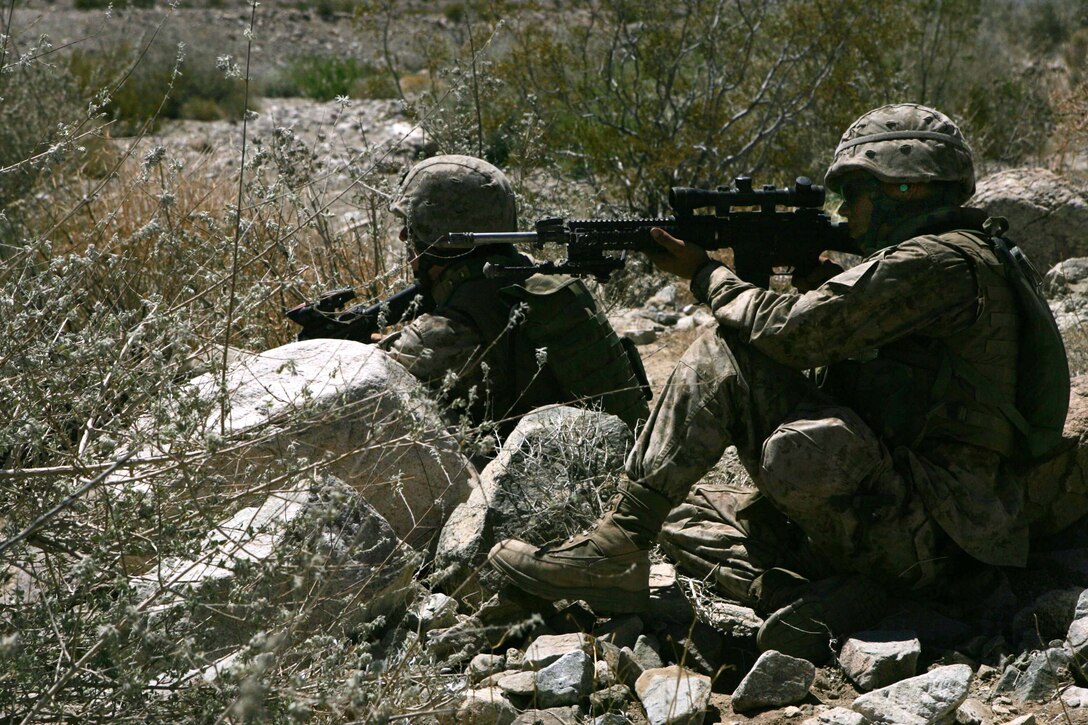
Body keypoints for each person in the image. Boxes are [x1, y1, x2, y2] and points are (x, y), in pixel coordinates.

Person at [488, 104, 1075, 662]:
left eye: (856, 194)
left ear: (906, 189)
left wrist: (705, 273)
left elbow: (794, 335)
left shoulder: (937, 262)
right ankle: (832, 598)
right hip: (920, 522)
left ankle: (621, 545)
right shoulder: (959, 258)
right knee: (680, 515)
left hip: (934, 530)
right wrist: (821, 286)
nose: (844, 214)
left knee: (728, 349)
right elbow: (865, 374)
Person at [382, 154, 649, 446]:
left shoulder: (440, 334)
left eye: (411, 227)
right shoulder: (540, 278)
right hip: (630, 454)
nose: (402, 236)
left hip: (541, 481)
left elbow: (367, 390)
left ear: (436, 233)